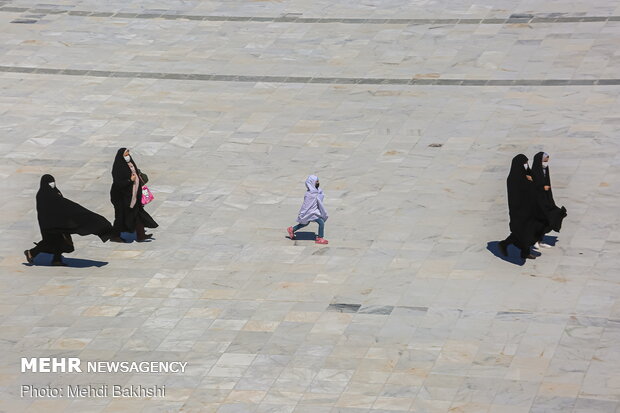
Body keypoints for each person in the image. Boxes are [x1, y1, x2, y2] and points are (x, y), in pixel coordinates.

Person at [24, 174, 114, 266]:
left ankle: (56, 260)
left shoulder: (55, 192)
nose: (52, 184)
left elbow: (62, 205)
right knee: (49, 242)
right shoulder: (43, 195)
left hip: (59, 223)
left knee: (60, 242)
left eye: (53, 182)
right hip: (49, 224)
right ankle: (31, 253)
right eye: (50, 183)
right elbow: (52, 208)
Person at [498, 155, 545, 261]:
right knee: (522, 232)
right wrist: (529, 182)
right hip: (519, 210)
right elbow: (521, 193)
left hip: (528, 208)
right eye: (525, 163)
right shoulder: (514, 178)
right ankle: (505, 244)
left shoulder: (525, 175)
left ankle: (523, 252)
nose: (526, 165)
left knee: (527, 231)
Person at [110, 148, 158, 242]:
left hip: (133, 196)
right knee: (120, 217)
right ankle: (115, 236)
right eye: (126, 155)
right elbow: (118, 184)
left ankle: (141, 236)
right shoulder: (118, 168)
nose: (128, 156)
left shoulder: (130, 164)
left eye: (128, 154)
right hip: (121, 197)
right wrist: (130, 180)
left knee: (137, 215)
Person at [531, 152, 567, 248]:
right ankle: (536, 240)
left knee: (554, 215)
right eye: (546, 157)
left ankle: (539, 240)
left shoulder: (545, 168)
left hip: (546, 198)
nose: (548, 158)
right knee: (543, 219)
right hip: (539, 200)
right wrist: (543, 188)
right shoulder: (535, 170)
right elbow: (534, 186)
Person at [287, 175, 329, 244]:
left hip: (314, 211)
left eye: (318, 181)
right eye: (316, 182)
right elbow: (306, 205)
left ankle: (292, 229)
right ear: (312, 183)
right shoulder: (309, 194)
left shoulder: (317, 191)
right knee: (321, 222)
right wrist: (303, 213)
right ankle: (320, 238)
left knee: (305, 223)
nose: (318, 183)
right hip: (310, 212)